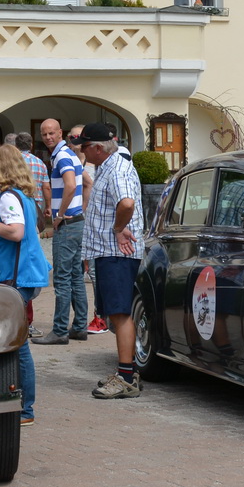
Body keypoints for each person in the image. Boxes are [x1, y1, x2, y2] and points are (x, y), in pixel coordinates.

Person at [0, 147, 50, 425]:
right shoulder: (25, 197)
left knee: (18, 346)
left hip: (15, 278)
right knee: (18, 343)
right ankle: (22, 406)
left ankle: (25, 410)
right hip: (23, 276)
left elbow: (15, 232)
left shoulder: (8, 197)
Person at [80, 123, 143, 399]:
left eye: (84, 147)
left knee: (120, 313)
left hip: (117, 251)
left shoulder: (117, 168)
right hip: (109, 251)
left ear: (97, 148)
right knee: (116, 313)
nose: (82, 151)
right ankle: (127, 372)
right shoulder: (108, 166)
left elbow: (126, 203)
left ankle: (126, 377)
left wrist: (118, 229)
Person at [33, 118, 88, 345]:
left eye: (51, 133)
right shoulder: (70, 154)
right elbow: (87, 183)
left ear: (60, 133)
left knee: (62, 279)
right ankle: (80, 327)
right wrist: (79, 210)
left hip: (67, 225)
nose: (48, 137)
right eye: (44, 134)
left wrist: (60, 215)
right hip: (77, 222)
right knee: (75, 276)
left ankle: (59, 331)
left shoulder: (62, 156)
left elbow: (71, 185)